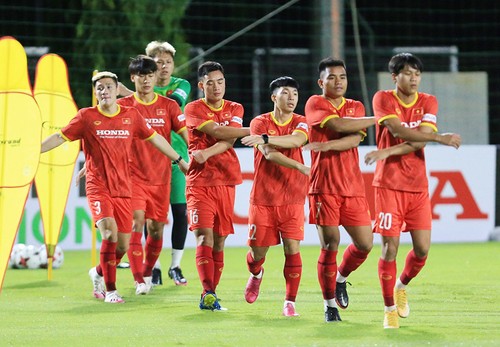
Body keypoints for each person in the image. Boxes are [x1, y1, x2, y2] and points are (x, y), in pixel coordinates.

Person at [41, 71, 188, 304]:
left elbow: (156, 138)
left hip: (124, 187)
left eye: (109, 87)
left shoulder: (131, 116)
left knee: (121, 245)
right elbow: (59, 137)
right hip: (99, 186)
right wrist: (31, 153)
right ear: (95, 92)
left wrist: (180, 160)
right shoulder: (86, 117)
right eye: (100, 88)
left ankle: (98, 272)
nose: (104, 91)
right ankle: (111, 290)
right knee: (109, 232)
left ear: (117, 88)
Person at [364, 52, 461, 329]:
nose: (414, 78)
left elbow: (416, 143)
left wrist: (387, 152)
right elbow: (400, 131)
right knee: (389, 247)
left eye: (417, 73)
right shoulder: (383, 98)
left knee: (421, 250)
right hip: (388, 185)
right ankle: (389, 309)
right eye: (408, 73)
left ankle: (401, 285)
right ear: (395, 77)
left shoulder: (428, 101)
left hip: (417, 185)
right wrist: (439, 138)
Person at [304, 57, 375, 322]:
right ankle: (329, 306)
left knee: (365, 244)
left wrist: (328, 146)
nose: (338, 82)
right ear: (321, 82)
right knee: (330, 244)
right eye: (332, 77)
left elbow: (354, 138)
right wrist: (378, 118)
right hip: (323, 187)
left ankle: (341, 279)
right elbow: (339, 126)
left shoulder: (356, 106)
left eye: (342, 77)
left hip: (352, 187)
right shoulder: (315, 103)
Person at [119, 40, 191, 286]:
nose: (164, 67)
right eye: (158, 63)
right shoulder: (130, 101)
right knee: (145, 219)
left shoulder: (180, 86)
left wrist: (129, 90)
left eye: (168, 62)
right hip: (142, 166)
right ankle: (154, 268)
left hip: (176, 161)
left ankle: (176, 265)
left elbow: (170, 102)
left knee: (180, 213)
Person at [240, 76, 309, 317]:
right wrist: (300, 167)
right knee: (258, 253)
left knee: (292, 248)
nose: (291, 98)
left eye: (295, 94)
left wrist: (268, 139)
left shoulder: (301, 121)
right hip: (263, 197)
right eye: (286, 93)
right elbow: (269, 154)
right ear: (274, 97)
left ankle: (290, 301)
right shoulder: (259, 122)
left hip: (293, 196)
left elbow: (297, 140)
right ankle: (256, 273)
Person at [184, 61, 250, 311]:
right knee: (204, 237)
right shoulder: (193, 108)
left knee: (220, 241)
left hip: (226, 180)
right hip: (200, 181)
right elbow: (216, 130)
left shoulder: (235, 107)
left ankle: (210, 293)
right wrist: (255, 131)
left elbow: (229, 138)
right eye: (210, 82)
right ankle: (208, 293)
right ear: (201, 85)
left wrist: (207, 152)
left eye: (220, 81)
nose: (216, 87)